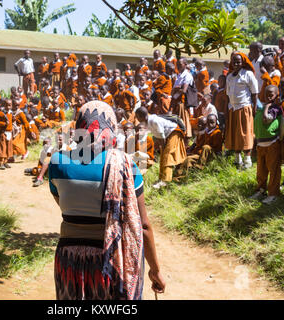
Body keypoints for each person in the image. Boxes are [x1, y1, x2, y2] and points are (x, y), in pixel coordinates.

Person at [49, 100, 165, 300]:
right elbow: (143, 226)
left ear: (78, 128)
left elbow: (62, 203)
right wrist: (155, 270)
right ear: (111, 129)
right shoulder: (127, 167)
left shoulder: (57, 163)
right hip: (110, 261)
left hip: (68, 260)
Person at [136, 106, 187, 189]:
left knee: (168, 155)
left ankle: (165, 181)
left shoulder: (154, 121)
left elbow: (162, 137)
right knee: (163, 156)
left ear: (141, 116)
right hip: (166, 136)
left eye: (137, 117)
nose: (137, 119)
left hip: (174, 133)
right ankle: (161, 178)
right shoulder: (147, 122)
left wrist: (163, 148)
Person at [225, 51, 258, 169]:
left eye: (238, 62)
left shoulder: (248, 74)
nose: (236, 64)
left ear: (242, 62)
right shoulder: (229, 76)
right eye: (234, 62)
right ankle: (237, 159)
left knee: (245, 133)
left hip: (244, 107)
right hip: (233, 108)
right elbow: (228, 95)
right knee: (235, 133)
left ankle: (247, 160)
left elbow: (254, 93)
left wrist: (254, 108)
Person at [250, 85, 282, 205]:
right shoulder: (261, 106)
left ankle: (273, 193)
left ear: (276, 95)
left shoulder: (274, 108)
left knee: (273, 170)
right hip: (261, 144)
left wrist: (267, 107)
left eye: (271, 94)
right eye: (267, 94)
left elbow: (266, 119)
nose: (269, 96)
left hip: (272, 144)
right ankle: (261, 189)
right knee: (261, 170)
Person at [0, 99, 13, 170]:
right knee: (3, 148)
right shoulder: (1, 114)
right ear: (4, 105)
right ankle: (1, 163)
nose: (8, 107)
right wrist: (4, 124)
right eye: (7, 105)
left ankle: (6, 161)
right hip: (3, 133)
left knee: (8, 148)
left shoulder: (11, 113)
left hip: (9, 132)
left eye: (10, 105)